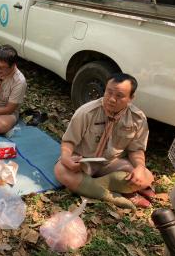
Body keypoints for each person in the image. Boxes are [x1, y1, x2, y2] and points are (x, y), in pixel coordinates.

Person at [54, 73, 155, 209]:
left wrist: (140, 167)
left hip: (112, 163)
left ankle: (90, 186)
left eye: (119, 96)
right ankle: (109, 195)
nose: (112, 99)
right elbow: (69, 142)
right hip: (84, 162)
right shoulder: (86, 112)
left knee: (146, 177)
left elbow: (136, 149)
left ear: (131, 98)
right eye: (109, 92)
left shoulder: (137, 118)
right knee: (61, 170)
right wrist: (66, 158)